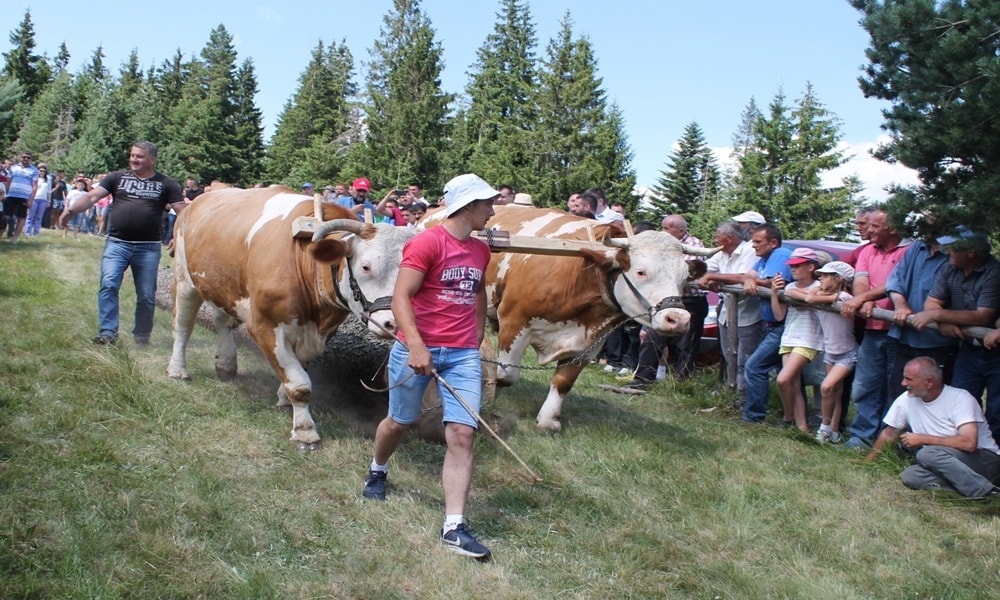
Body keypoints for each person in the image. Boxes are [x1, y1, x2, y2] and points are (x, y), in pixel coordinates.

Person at [362, 173, 497, 561]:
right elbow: (401, 296)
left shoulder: (479, 250)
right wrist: (417, 346)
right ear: (467, 206)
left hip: (461, 355)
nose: (491, 210)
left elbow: (478, 291)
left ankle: (453, 526)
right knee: (399, 422)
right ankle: (378, 468)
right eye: (486, 203)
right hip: (415, 350)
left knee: (462, 433)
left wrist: (476, 335)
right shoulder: (428, 243)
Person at [58, 142, 185, 346]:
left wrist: (179, 235)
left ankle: (142, 335)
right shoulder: (116, 178)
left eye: (140, 156)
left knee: (146, 294)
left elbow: (182, 212)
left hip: (148, 247)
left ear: (152, 159)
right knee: (108, 285)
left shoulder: (167, 184)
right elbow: (91, 196)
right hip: (117, 243)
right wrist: (70, 211)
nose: (134, 159)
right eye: (132, 155)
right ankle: (108, 332)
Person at [908, 226, 1000, 443]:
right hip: (969, 348)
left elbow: (982, 316)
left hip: (996, 353)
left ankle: (992, 460)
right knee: (961, 400)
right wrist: (942, 320)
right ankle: (957, 451)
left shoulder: (994, 272)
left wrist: (938, 315)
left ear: (971, 252)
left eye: (953, 248)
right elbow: (931, 302)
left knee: (997, 409)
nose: (947, 251)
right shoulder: (950, 268)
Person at [864, 357, 1000, 499]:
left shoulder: (960, 398)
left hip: (985, 460)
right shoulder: (906, 399)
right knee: (911, 476)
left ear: (928, 382)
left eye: (909, 379)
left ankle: (983, 492)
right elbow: (889, 434)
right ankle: (973, 489)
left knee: (926, 454)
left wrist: (923, 439)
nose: (903, 383)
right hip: (946, 463)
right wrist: (867, 462)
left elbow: (969, 443)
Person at [840, 207, 907, 450]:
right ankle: (861, 437)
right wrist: (864, 299)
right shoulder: (868, 250)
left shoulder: (908, 251)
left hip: (898, 330)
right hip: (872, 327)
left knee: (895, 387)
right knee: (865, 385)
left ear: (892, 229)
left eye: (875, 227)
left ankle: (886, 442)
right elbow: (860, 279)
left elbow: (896, 283)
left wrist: (861, 299)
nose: (869, 230)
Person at [884, 224, 957, 400]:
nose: (922, 226)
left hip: (938, 342)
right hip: (906, 336)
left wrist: (941, 317)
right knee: (900, 393)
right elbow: (895, 280)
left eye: (929, 221)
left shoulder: (955, 253)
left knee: (933, 396)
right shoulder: (917, 247)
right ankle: (899, 428)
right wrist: (900, 304)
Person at [699, 220, 762, 402]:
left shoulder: (749, 250)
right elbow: (705, 268)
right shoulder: (722, 254)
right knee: (728, 354)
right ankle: (730, 391)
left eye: (718, 237)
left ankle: (744, 398)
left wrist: (713, 277)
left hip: (748, 314)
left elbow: (743, 277)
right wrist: (709, 277)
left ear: (729, 238)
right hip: (727, 312)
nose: (715, 240)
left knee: (745, 357)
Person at [741, 224, 794, 423]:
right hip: (769, 325)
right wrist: (750, 280)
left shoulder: (780, 254)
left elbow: (773, 281)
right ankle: (793, 419)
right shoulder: (764, 259)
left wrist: (755, 281)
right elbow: (750, 275)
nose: (753, 246)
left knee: (754, 367)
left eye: (758, 242)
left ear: (773, 242)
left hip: (782, 326)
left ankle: (754, 417)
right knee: (786, 374)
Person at [802, 261, 858, 443]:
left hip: (847, 353)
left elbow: (809, 299)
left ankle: (824, 428)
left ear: (838, 279)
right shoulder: (825, 295)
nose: (821, 279)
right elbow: (809, 296)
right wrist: (822, 292)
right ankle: (834, 432)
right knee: (835, 392)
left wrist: (825, 296)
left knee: (827, 387)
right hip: (830, 352)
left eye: (826, 276)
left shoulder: (844, 297)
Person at [770, 247, 823, 431]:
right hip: (789, 336)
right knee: (793, 382)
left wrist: (801, 296)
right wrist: (775, 294)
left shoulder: (818, 287)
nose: (793, 269)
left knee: (783, 379)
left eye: (798, 265)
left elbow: (808, 301)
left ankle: (787, 416)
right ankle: (802, 426)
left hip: (808, 338)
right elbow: (779, 315)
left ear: (810, 267)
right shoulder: (790, 286)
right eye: (791, 266)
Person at [4, 151, 39, 243]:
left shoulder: (34, 170)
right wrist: (6, 194)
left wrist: (31, 200)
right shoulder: (13, 168)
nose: (26, 159)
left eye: (28, 157)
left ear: (31, 159)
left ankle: (14, 239)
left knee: (21, 217)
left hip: (24, 197)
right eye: (24, 157)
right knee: (6, 216)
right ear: (21, 157)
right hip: (11, 195)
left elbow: (35, 186)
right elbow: (8, 182)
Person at [24, 163, 50, 237]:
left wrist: (49, 200)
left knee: (39, 217)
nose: (42, 172)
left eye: (44, 171)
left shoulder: (48, 180)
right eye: (40, 170)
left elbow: (49, 191)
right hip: (34, 198)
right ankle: (28, 232)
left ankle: (36, 232)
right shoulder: (34, 178)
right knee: (30, 216)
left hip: (43, 200)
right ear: (38, 171)